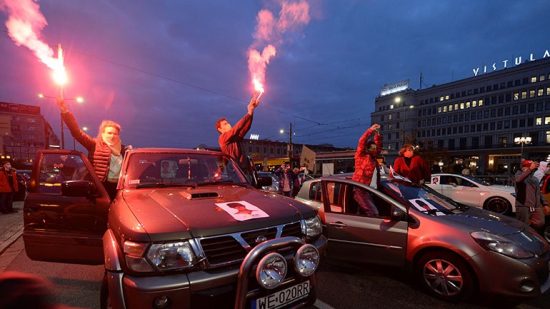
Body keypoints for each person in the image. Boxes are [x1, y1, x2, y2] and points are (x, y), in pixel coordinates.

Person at [57, 99, 131, 200]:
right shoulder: (94, 144)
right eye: (109, 133)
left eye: (115, 133)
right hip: (100, 186)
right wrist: (66, 113)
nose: (113, 135)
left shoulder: (123, 149)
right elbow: (77, 133)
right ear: (102, 133)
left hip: (119, 187)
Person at [215, 92, 261, 183]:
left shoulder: (235, 138)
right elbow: (237, 128)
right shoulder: (222, 138)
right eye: (225, 124)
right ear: (220, 129)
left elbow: (245, 128)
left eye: (227, 122)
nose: (228, 124)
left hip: (243, 173)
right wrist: (248, 113)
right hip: (234, 174)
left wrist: (251, 112)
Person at [352, 124, 382, 216]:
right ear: (367, 148)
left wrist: (377, 134)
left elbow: (379, 146)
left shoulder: (374, 159)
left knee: (364, 211)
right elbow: (361, 141)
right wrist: (370, 130)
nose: (375, 150)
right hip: (360, 187)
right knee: (372, 212)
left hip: (369, 188)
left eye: (375, 148)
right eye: (372, 148)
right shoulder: (361, 155)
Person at [514, 159, 546, 231]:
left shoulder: (535, 179)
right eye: (527, 167)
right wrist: (530, 169)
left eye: (531, 167)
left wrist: (545, 204)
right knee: (522, 226)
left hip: (535, 206)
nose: (531, 168)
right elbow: (518, 180)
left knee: (540, 223)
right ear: (523, 167)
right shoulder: (518, 174)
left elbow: (538, 192)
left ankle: (530, 233)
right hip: (523, 205)